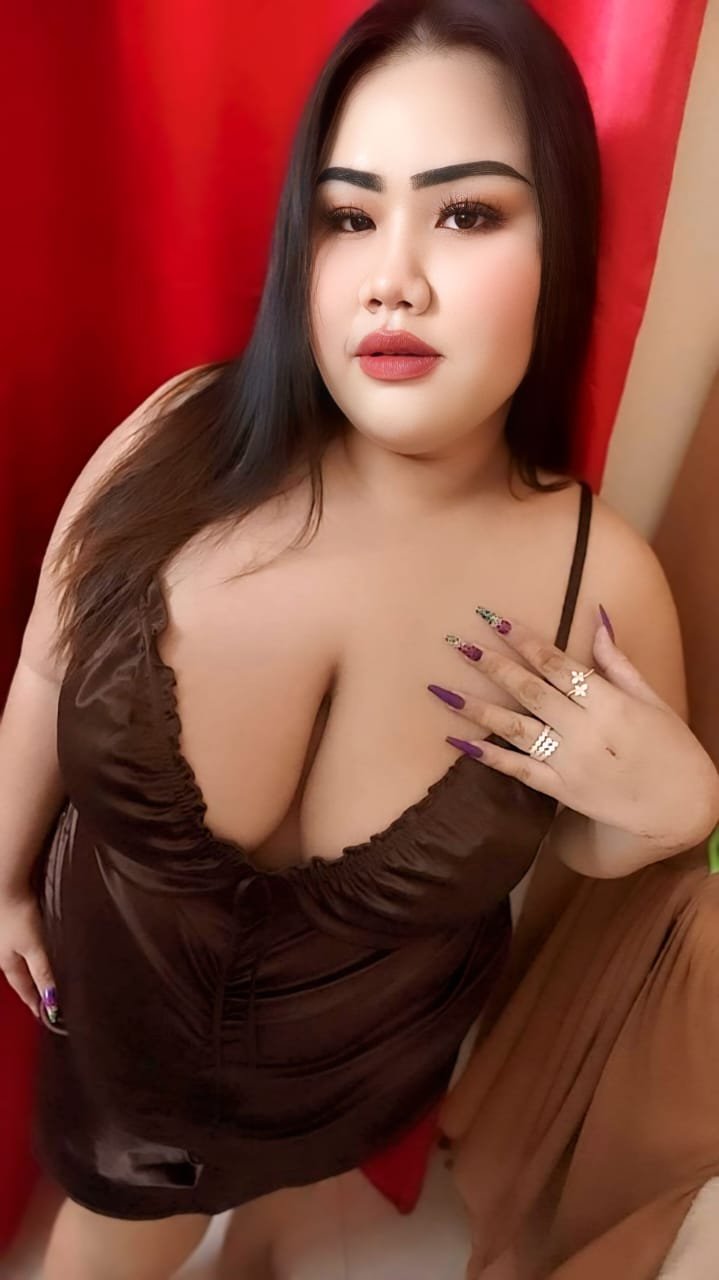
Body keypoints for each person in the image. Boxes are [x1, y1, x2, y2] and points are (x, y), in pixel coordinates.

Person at [1, 0, 717, 1277]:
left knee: (284, 1207)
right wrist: (1, 873)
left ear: (561, 242)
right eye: (346, 215)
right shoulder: (174, 442)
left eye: (466, 213)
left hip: (358, 1070)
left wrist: (672, 813)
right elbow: (46, 666)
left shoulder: (600, 584)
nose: (393, 275)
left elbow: (581, 839)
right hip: (119, 1049)